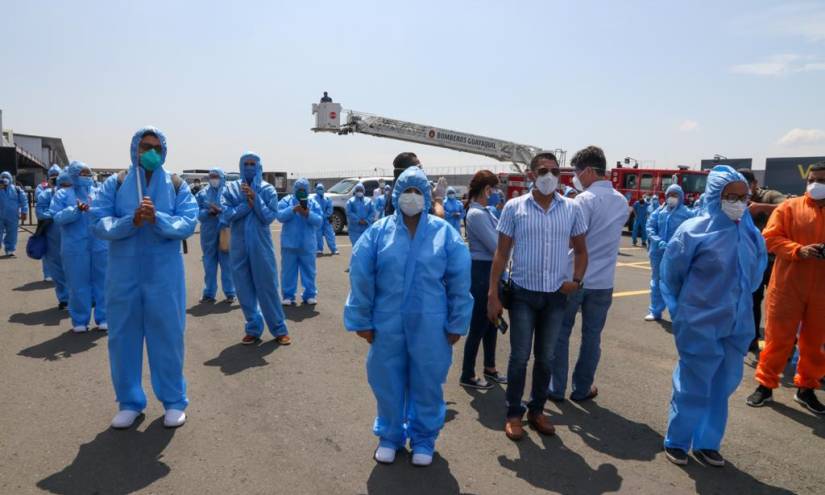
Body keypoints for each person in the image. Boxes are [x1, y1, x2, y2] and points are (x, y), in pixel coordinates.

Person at [344, 166, 472, 467]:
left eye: (417, 191)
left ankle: (424, 439)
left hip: (432, 323)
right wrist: (362, 319)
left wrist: (457, 322)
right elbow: (362, 276)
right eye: (406, 191)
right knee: (386, 380)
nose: (411, 197)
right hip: (386, 321)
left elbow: (459, 282)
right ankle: (390, 436)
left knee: (427, 381)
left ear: (427, 196)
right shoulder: (379, 232)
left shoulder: (445, 234)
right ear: (396, 194)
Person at [660, 166, 767, 466]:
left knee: (723, 384)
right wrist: (685, 311)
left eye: (743, 197)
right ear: (713, 196)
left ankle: (707, 442)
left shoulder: (752, 235)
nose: (737, 203)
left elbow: (755, 279)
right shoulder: (692, 231)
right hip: (699, 321)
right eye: (729, 196)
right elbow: (672, 275)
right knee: (693, 383)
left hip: (737, 323)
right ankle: (678, 439)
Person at [92, 126, 198, 429]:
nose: (150, 152)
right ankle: (129, 402)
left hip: (164, 274)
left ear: (163, 151)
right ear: (134, 148)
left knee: (168, 336)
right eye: (144, 146)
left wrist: (158, 219)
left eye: (155, 147)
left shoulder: (176, 184)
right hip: (123, 273)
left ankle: (174, 401)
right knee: (123, 337)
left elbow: (188, 221)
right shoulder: (116, 182)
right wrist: (132, 220)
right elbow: (99, 222)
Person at [487, 152, 588, 441]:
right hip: (522, 294)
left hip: (556, 296)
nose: (549, 176)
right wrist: (493, 293)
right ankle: (514, 413)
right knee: (519, 357)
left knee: (546, 357)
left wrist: (576, 281)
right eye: (543, 170)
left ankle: (537, 410)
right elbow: (502, 253)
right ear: (531, 174)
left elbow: (582, 250)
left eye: (555, 171)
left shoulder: (571, 208)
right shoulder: (514, 207)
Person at [548, 146, 629, 402]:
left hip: (576, 277)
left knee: (561, 334)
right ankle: (582, 388)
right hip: (604, 281)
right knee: (592, 338)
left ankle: (556, 387)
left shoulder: (583, 201)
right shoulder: (621, 200)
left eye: (577, 172)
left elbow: (573, 241)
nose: (575, 177)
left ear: (590, 171)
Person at [747, 162, 825, 415]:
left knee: (814, 343)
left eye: (821, 181)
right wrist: (798, 250)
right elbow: (770, 238)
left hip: (821, 291)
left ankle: (806, 388)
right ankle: (766, 385)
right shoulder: (789, 207)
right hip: (788, 286)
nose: (814, 185)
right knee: (777, 339)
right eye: (811, 180)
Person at [222, 152, 290, 346]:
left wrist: (256, 199)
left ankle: (279, 328)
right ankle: (253, 327)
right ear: (241, 166)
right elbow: (227, 215)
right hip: (239, 246)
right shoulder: (231, 189)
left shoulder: (268, 190)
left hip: (261, 246)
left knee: (267, 287)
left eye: (253, 164)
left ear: (259, 166)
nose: (249, 167)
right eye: (246, 164)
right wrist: (246, 204)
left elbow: (269, 217)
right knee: (243, 288)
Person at [460, 170, 506, 389]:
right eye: (495, 189)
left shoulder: (484, 211)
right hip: (482, 271)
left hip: (490, 269)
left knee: (492, 322)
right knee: (479, 324)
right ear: (487, 190)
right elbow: (497, 245)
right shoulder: (476, 214)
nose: (497, 193)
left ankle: (490, 367)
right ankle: (467, 373)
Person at [52, 161, 108, 333]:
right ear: (74, 175)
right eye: (82, 173)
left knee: (103, 282)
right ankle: (80, 320)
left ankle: (104, 318)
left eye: (88, 173)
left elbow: (108, 212)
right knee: (77, 283)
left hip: (100, 244)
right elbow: (57, 217)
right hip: (75, 246)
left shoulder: (98, 193)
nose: (86, 176)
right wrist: (75, 210)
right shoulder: (62, 194)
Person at [737, 168, 788, 354]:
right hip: (751, 262)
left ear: (754, 184)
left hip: (774, 261)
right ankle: (751, 340)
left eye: (746, 185)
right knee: (751, 301)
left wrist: (760, 207)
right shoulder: (735, 200)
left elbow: (791, 205)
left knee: (779, 304)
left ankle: (786, 343)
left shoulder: (769, 195)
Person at [644, 185, 692, 321]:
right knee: (656, 281)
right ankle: (655, 310)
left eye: (675, 195)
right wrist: (657, 240)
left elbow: (694, 228)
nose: (672, 198)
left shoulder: (687, 212)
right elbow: (650, 227)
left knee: (678, 283)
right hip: (658, 252)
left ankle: (679, 314)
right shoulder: (659, 211)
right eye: (670, 194)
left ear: (681, 197)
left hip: (677, 253)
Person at [278, 177, 323, 305]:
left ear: (308, 190)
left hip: (307, 244)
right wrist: (293, 210)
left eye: (304, 190)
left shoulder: (313, 203)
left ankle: (309, 295)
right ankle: (288, 296)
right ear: (294, 189)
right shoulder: (286, 201)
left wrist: (308, 214)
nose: (301, 192)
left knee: (309, 271)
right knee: (288, 271)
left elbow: (319, 221)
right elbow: (279, 216)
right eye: (299, 189)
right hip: (289, 244)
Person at [196, 167, 236, 304]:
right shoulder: (202, 194)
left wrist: (222, 213)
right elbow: (197, 214)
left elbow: (235, 211)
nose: (213, 179)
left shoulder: (230, 192)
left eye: (216, 176)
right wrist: (208, 213)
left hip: (225, 231)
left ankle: (230, 292)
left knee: (227, 264)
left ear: (222, 177)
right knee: (209, 264)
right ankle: (209, 293)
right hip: (208, 233)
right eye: (211, 176)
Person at [36, 168, 69, 309]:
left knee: (76, 268)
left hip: (73, 235)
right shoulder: (45, 194)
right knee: (56, 267)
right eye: (53, 177)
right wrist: (55, 214)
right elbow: (40, 212)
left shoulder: (72, 193)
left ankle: (80, 297)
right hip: (52, 236)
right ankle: (64, 298)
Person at [384, 152, 446, 219]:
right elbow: (435, 220)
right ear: (410, 171)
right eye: (419, 167)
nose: (421, 169)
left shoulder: (396, 189)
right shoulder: (411, 193)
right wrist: (438, 199)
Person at [37, 164, 63, 279]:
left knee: (64, 250)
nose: (55, 179)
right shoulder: (42, 189)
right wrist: (53, 214)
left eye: (57, 176)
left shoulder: (67, 190)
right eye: (52, 177)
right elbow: (40, 208)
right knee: (48, 251)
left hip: (64, 225)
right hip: (48, 225)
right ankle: (48, 274)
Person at [0, 171, 28, 257]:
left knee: (12, 233)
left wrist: (24, 212)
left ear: (10, 179)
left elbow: (24, 201)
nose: (5, 179)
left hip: (12, 216)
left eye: (6, 177)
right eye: (3, 177)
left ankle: (10, 250)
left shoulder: (16, 189)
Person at [313, 183, 338, 255]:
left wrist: (325, 215)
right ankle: (319, 250)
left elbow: (330, 209)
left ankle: (334, 249)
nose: (320, 190)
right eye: (319, 189)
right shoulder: (313, 200)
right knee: (318, 235)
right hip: (318, 220)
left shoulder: (327, 199)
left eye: (321, 189)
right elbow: (312, 209)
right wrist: (318, 216)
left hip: (326, 220)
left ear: (324, 190)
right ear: (316, 190)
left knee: (330, 234)